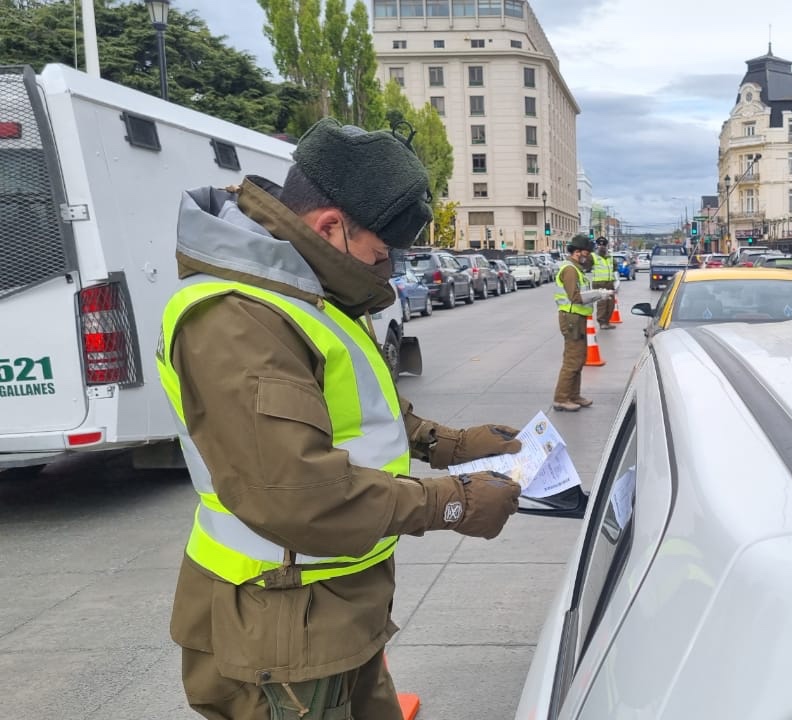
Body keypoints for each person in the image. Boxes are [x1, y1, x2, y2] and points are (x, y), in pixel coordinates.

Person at [156, 117, 525, 720]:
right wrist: (450, 503)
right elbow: (296, 494)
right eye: (383, 256)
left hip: (334, 608)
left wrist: (452, 443)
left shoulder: (305, 293)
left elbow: (355, 412)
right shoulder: (238, 318)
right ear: (331, 227)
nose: (389, 272)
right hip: (281, 626)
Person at [554, 234, 613, 412]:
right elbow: (575, 297)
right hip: (572, 318)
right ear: (577, 252)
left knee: (579, 358)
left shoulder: (576, 269)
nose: (587, 257)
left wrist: (597, 291)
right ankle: (562, 398)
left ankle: (574, 395)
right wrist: (599, 294)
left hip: (577, 318)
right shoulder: (570, 270)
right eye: (586, 253)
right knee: (572, 360)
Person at [591, 237, 616, 328]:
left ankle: (607, 322)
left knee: (611, 304)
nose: (602, 246)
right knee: (602, 304)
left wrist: (616, 280)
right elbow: (585, 266)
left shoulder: (610, 256)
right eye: (599, 245)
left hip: (609, 283)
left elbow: (615, 268)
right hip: (599, 284)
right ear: (597, 245)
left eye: (603, 245)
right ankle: (602, 322)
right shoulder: (593, 256)